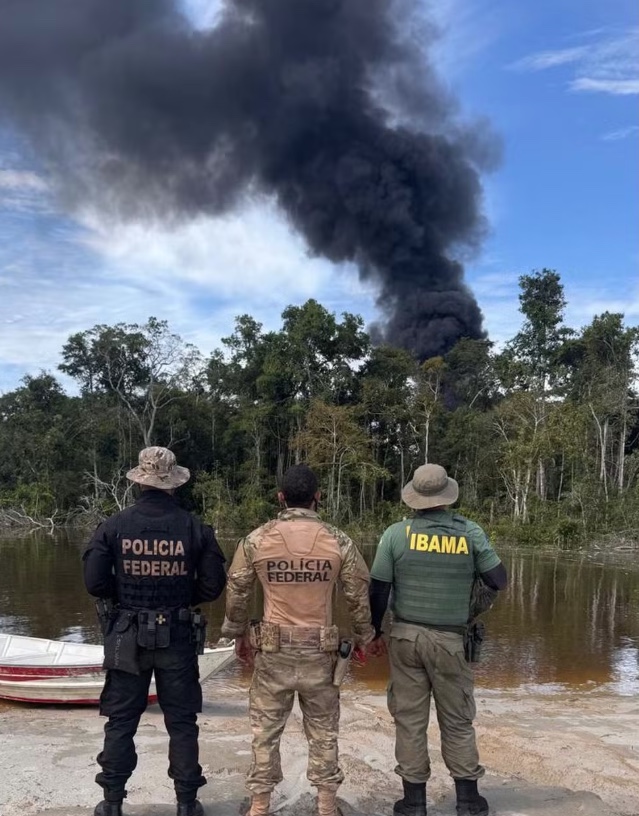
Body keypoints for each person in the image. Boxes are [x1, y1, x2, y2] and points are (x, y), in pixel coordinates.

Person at [221, 464, 374, 816]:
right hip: (321, 653)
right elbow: (357, 595)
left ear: (281, 498)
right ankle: (326, 806)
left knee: (265, 732)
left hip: (272, 651)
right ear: (318, 497)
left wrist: (236, 633)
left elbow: (238, 590)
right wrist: (365, 636)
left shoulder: (257, 539)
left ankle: (259, 807)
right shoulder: (339, 541)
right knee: (323, 732)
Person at [83, 446, 227, 816]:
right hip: (177, 635)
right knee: (181, 722)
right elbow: (212, 587)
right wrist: (180, 598)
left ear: (139, 483)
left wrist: (126, 598)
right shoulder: (195, 528)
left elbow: (95, 583)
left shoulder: (113, 526)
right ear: (173, 484)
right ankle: (186, 803)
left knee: (121, 721)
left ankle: (112, 803)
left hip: (126, 633)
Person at [368, 464, 507, 816]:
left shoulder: (396, 534)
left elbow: (379, 588)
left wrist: (373, 630)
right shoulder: (470, 532)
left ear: (414, 498)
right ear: (447, 497)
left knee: (410, 720)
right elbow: (498, 579)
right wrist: (472, 606)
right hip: (450, 640)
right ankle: (468, 801)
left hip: (405, 638)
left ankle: (414, 803)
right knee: (457, 720)